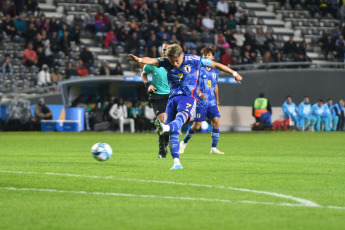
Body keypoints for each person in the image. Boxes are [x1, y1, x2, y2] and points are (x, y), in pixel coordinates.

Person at [129, 43, 243, 169]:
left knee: (181, 118)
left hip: (188, 96)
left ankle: (165, 128)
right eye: (172, 61)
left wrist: (234, 73)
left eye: (176, 61)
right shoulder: (166, 61)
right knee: (173, 133)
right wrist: (139, 60)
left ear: (181, 55)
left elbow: (216, 65)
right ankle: (176, 163)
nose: (175, 64)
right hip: (172, 98)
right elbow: (150, 60)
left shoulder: (193, 60)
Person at [179, 47, 224, 155]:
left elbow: (215, 86)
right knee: (197, 126)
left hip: (212, 101)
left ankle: (213, 148)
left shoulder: (215, 70)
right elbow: (192, 83)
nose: (206, 57)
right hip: (200, 102)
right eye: (204, 56)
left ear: (212, 57)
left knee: (216, 121)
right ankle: (183, 143)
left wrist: (217, 99)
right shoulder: (198, 69)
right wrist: (199, 93)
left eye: (208, 55)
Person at [141, 42, 171, 158]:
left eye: (167, 49)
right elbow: (144, 74)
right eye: (163, 49)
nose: (165, 51)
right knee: (166, 123)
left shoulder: (176, 64)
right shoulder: (154, 63)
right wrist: (148, 85)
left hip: (171, 97)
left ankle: (162, 148)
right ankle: (162, 148)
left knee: (169, 129)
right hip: (157, 97)